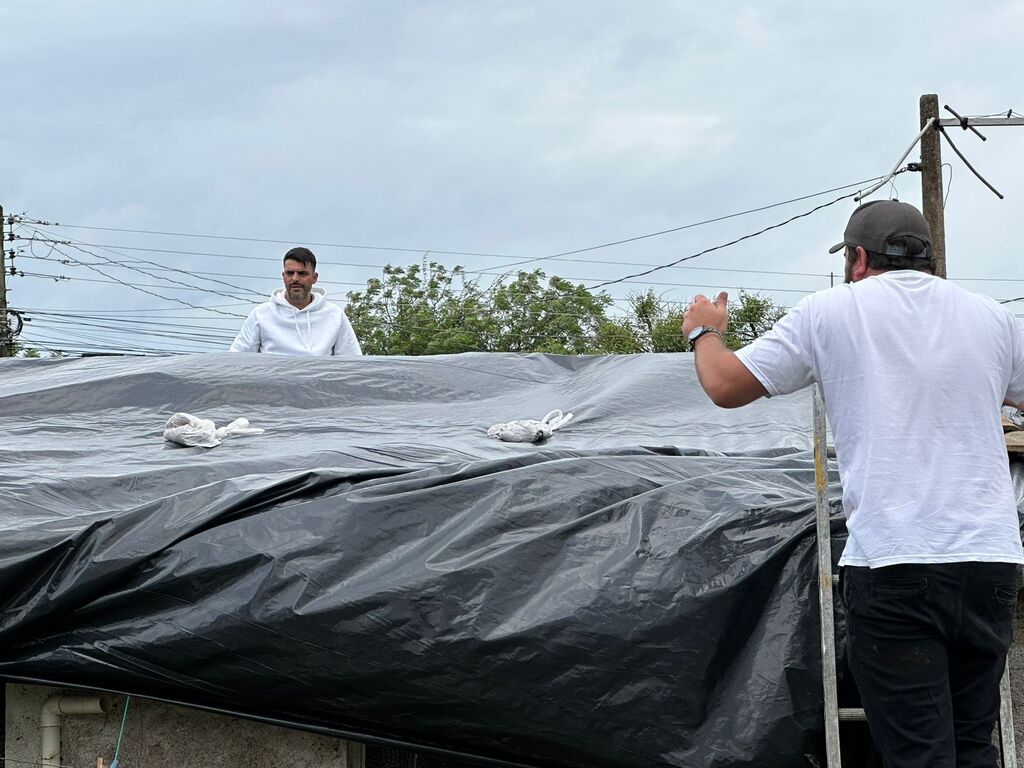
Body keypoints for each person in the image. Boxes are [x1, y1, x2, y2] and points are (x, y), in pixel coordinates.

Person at [681, 199, 1024, 768]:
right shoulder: (991, 317)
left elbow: (724, 385)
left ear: (859, 257)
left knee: (919, 754)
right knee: (972, 748)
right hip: (988, 563)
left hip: (896, 565)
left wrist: (704, 332)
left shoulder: (829, 312)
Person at [229, 247, 362, 356]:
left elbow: (352, 365)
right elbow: (235, 360)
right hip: (272, 388)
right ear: (283, 276)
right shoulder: (261, 315)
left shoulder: (334, 315)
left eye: (302, 273)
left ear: (314, 277)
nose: (295, 278)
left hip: (318, 388)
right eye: (289, 273)